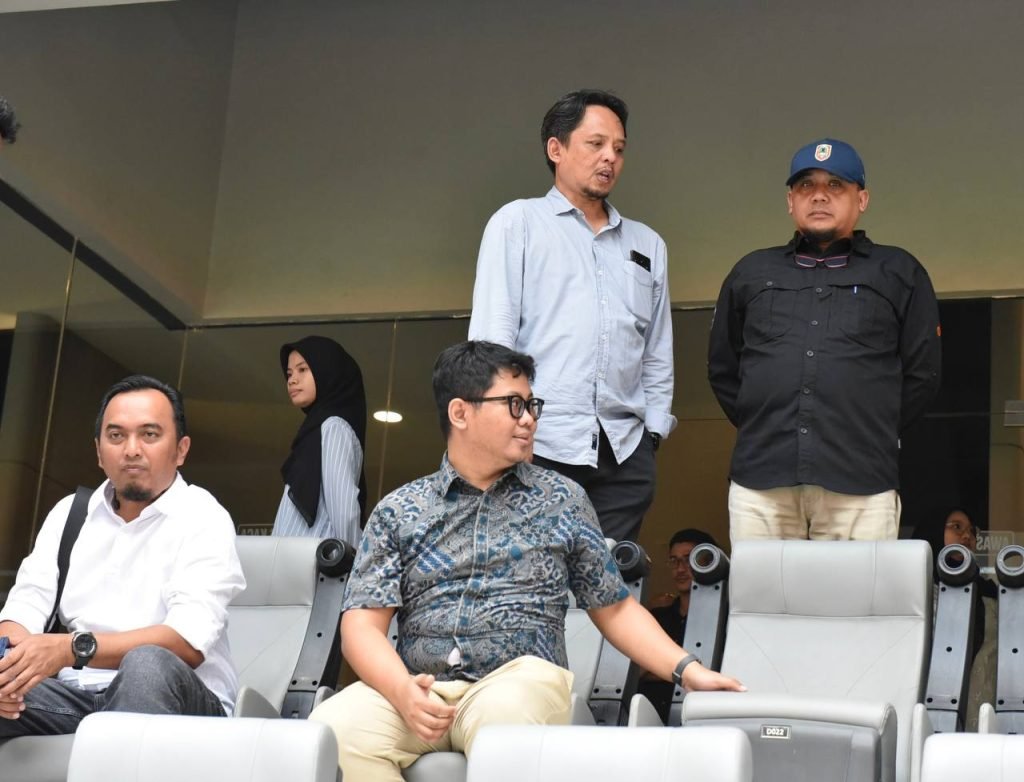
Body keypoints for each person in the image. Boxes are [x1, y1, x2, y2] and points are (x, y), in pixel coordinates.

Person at [308, 341, 741, 780]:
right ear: (460, 412)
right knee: (332, 729)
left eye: (532, 405)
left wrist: (687, 670)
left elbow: (615, 608)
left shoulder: (562, 500)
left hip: (519, 682)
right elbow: (361, 627)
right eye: (514, 405)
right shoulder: (400, 510)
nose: (530, 418)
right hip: (420, 689)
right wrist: (401, 690)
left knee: (503, 721)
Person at [708, 138, 941, 543]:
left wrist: (868, 425)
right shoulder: (751, 271)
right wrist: (765, 421)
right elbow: (723, 368)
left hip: (861, 481)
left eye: (836, 185)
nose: (819, 195)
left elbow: (924, 375)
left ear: (862, 198)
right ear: (790, 201)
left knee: (859, 589)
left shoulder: (899, 271)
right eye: (806, 186)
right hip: (762, 481)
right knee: (760, 588)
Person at [469, 89, 675, 543]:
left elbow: (657, 351)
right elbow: (492, 342)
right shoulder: (518, 222)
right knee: (533, 578)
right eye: (595, 144)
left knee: (609, 581)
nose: (610, 158)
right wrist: (504, 433)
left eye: (619, 148)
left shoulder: (648, 244)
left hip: (624, 455)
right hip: (539, 444)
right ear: (556, 149)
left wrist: (653, 435)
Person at [0, 375, 245, 735]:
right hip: (74, 699)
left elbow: (186, 642)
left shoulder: (203, 516)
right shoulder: (71, 514)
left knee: (146, 665)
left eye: (149, 434)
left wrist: (71, 649)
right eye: (116, 436)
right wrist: (9, 670)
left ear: (181, 450)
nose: (131, 449)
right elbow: (23, 611)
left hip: (180, 703)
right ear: (99, 452)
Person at [272, 336, 366, 547]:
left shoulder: (334, 427)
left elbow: (344, 510)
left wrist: (353, 561)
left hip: (314, 562)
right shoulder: (315, 430)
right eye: (289, 373)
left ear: (327, 371)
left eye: (302, 369)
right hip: (292, 560)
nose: (292, 380)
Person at [639, 527, 719, 722]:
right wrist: (688, 671)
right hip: (645, 716)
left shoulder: (721, 620)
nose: (680, 569)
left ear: (709, 561)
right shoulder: (656, 617)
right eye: (674, 561)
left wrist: (658, 665)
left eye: (689, 560)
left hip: (699, 717)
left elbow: (714, 671)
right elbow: (634, 671)